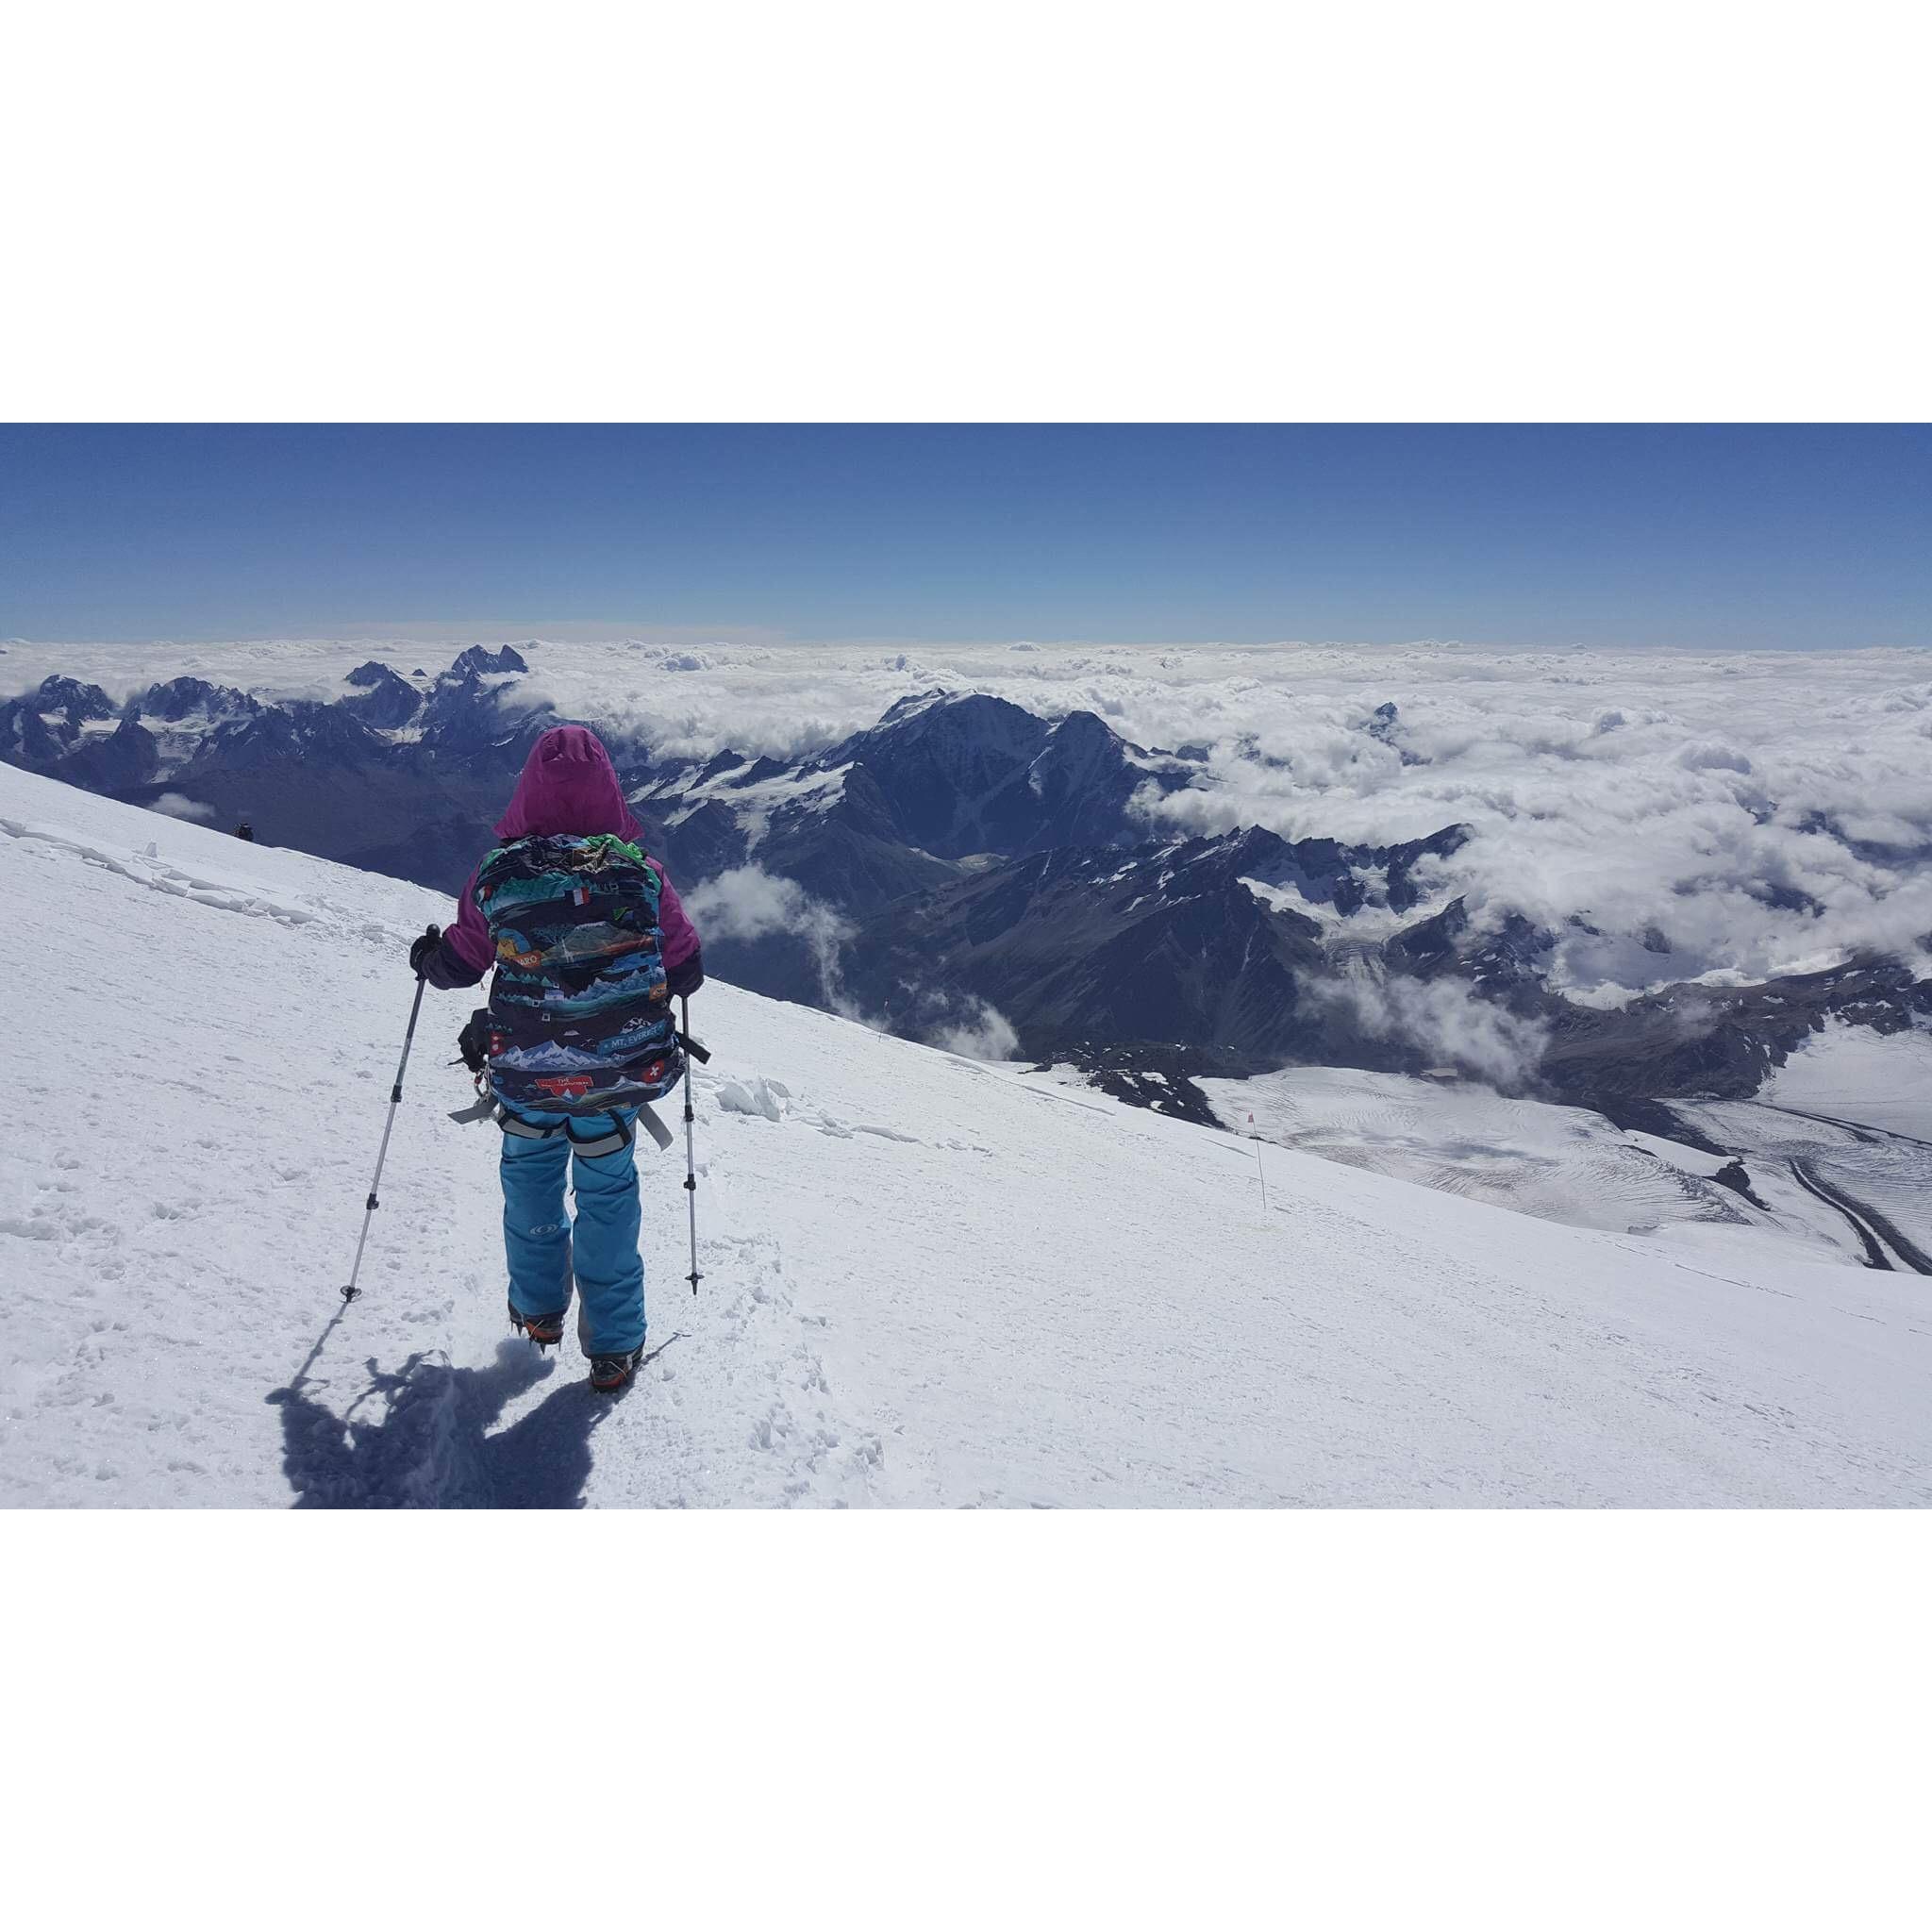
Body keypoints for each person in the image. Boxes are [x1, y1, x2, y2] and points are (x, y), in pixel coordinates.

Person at [410, 725, 704, 1393]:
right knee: (607, 1198)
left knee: (531, 1185)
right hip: (617, 1078)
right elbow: (686, 970)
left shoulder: (497, 874)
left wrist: (427, 959)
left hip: (527, 1081)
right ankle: (616, 1346)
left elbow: (460, 962)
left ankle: (538, 1312)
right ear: (609, 792)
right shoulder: (642, 874)